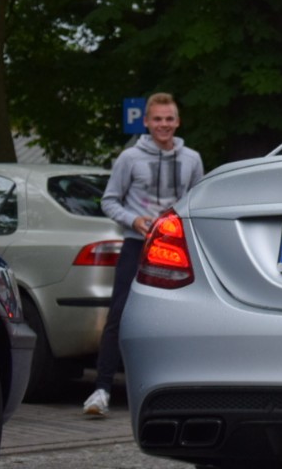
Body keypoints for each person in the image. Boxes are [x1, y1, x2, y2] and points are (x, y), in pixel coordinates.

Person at [84, 93, 204, 416]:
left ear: (177, 122)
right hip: (137, 243)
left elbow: (197, 200)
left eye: (169, 119)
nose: (163, 125)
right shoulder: (129, 158)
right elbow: (109, 201)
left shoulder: (192, 158)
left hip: (174, 247)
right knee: (120, 314)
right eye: (157, 119)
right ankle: (101, 390)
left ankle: (184, 390)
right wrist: (133, 220)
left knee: (183, 314)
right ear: (147, 122)